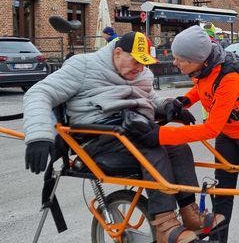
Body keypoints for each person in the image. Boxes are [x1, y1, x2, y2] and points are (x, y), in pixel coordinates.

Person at [22, 31, 218, 243]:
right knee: (154, 150)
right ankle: (165, 225)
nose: (140, 69)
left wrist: (169, 106)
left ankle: (190, 214)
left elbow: (150, 99)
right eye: (136, 61)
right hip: (98, 139)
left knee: (178, 147)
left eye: (144, 64)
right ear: (117, 52)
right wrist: (39, 136)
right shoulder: (84, 66)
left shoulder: (140, 74)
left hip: (133, 133)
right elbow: (39, 93)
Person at [126, 25, 239, 243]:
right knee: (222, 194)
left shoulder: (230, 78)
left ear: (198, 60)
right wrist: (182, 102)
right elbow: (202, 87)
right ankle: (217, 240)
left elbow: (210, 129)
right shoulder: (204, 67)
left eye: (180, 59)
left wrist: (159, 135)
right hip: (227, 133)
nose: (175, 63)